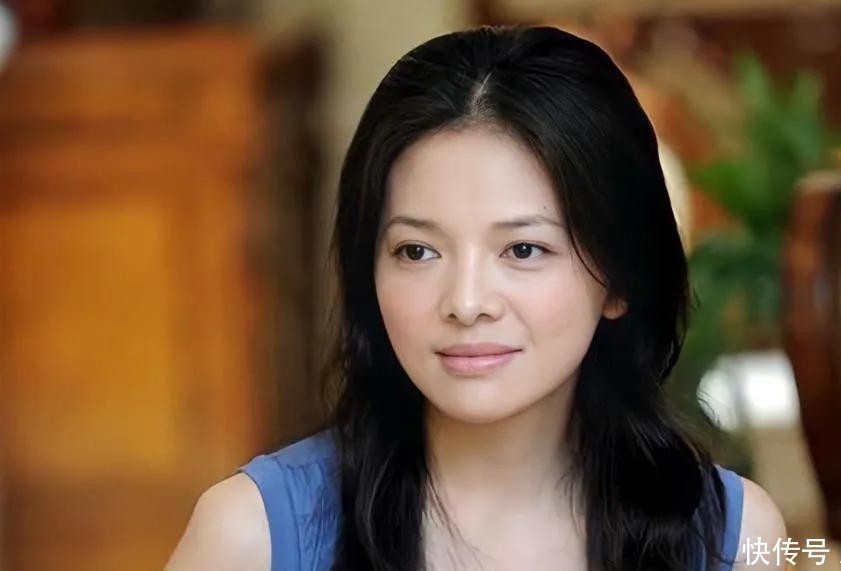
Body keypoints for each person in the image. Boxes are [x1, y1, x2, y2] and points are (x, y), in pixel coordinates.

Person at [166, 25, 786, 571]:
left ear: (620, 277)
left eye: (523, 250)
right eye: (417, 251)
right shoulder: (251, 537)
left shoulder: (733, 540)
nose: (465, 303)